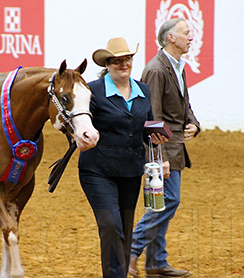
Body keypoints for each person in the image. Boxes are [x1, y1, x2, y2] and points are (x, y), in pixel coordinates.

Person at [78, 37, 168, 278]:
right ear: (107, 64)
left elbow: (147, 125)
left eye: (127, 59)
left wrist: (159, 144)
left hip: (131, 170)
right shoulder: (92, 90)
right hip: (97, 170)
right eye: (116, 60)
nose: (123, 64)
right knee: (111, 227)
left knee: (125, 232)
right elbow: (79, 124)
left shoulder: (143, 89)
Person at [129, 18, 200, 278]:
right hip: (163, 148)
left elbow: (183, 105)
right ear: (170, 37)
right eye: (185, 33)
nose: (191, 37)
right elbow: (152, 116)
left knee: (160, 203)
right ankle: (131, 250)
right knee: (168, 200)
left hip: (174, 145)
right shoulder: (157, 69)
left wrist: (193, 123)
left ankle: (156, 262)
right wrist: (160, 157)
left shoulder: (177, 66)